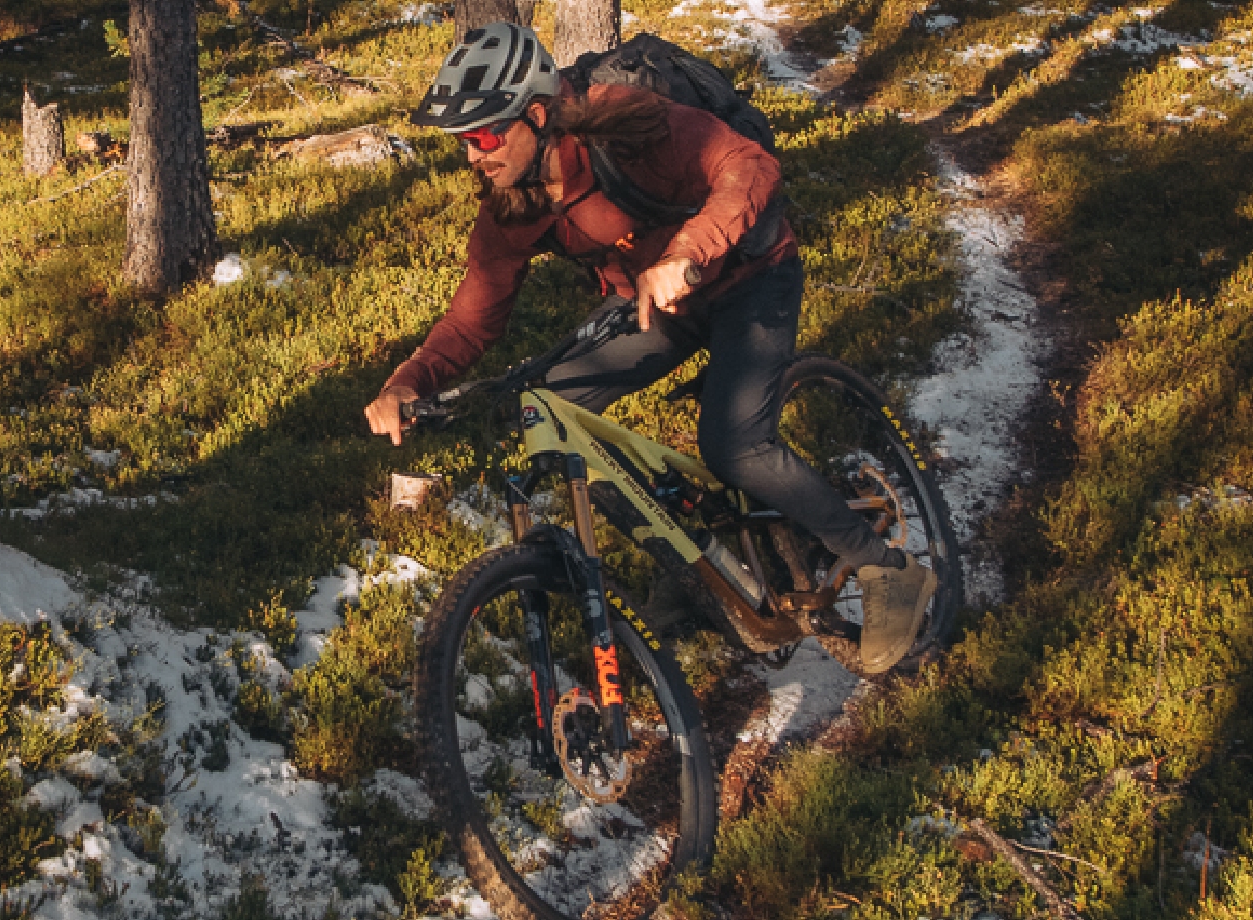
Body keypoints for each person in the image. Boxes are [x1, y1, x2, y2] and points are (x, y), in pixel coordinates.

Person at [367, 23, 934, 673]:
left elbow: (750, 166)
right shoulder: (511, 203)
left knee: (735, 445)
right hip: (651, 305)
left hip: (749, 277)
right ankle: (693, 559)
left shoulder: (628, 125)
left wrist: (688, 254)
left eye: (486, 135)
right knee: (549, 410)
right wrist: (408, 382)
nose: (473, 155)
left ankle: (885, 566)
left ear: (539, 114)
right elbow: (473, 318)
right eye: (463, 142)